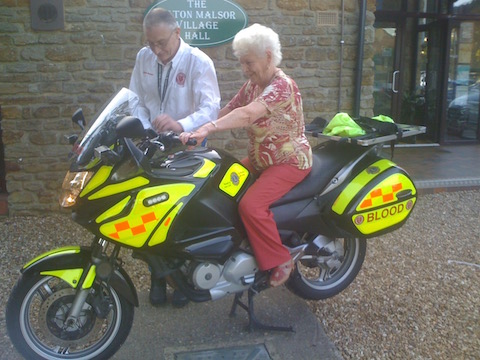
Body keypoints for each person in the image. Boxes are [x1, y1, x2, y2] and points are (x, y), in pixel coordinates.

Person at [180, 23, 312, 287]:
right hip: (261, 159)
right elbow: (230, 109)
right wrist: (197, 132)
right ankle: (238, 245)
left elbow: (248, 114)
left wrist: (208, 128)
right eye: (242, 63)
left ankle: (281, 260)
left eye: (248, 62)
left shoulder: (282, 86)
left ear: (268, 57)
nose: (245, 69)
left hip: (289, 161)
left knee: (250, 205)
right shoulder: (253, 84)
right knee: (222, 184)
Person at [129, 7, 221, 307]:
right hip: (153, 145)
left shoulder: (198, 61)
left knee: (182, 214)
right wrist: (145, 126)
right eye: (151, 43)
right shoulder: (144, 57)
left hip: (188, 144)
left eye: (162, 43)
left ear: (177, 33)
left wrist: (180, 125)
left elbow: (211, 109)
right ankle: (157, 277)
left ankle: (183, 279)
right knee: (153, 211)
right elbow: (136, 100)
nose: (156, 51)